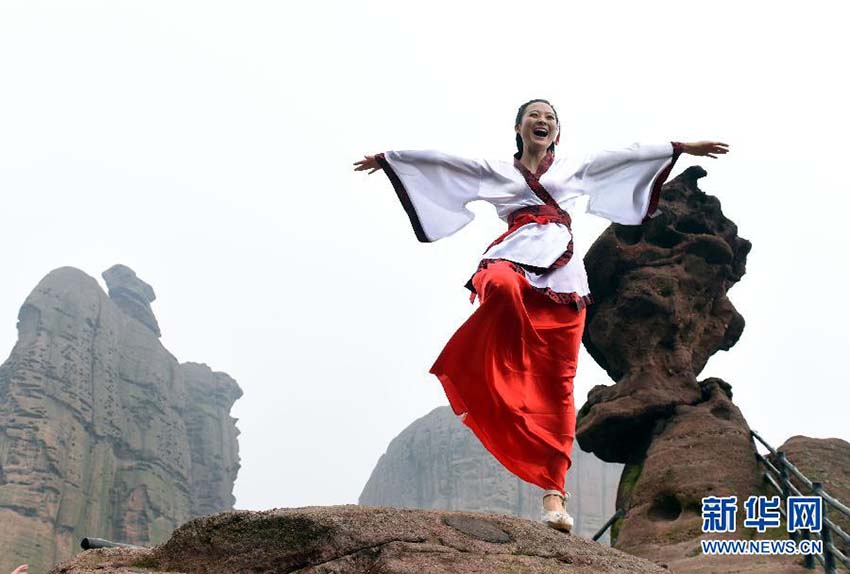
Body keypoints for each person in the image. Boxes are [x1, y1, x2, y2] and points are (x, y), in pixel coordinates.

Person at [354, 99, 728, 532]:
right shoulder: (497, 170)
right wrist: (391, 160)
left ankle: (553, 496)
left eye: (550, 118)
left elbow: (625, 155)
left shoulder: (572, 166)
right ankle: (496, 362)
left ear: (557, 132)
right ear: (519, 127)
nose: (543, 122)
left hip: (565, 279)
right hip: (514, 255)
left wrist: (679, 147)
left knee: (559, 384)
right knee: (499, 285)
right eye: (535, 116)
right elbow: (447, 165)